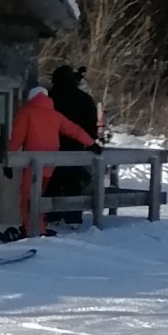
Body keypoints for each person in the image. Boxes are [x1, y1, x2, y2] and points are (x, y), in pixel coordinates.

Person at [8, 81, 96, 235]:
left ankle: (33, 230)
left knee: (27, 198)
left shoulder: (26, 113)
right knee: (40, 195)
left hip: (32, 163)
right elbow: (73, 129)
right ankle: (38, 225)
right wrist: (91, 143)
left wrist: (9, 160)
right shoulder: (55, 115)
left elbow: (17, 137)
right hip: (51, 163)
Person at [47, 64, 101, 222]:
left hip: (51, 148)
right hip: (77, 148)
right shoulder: (84, 99)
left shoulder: (49, 99)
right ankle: (73, 218)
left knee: (53, 184)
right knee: (73, 184)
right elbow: (91, 128)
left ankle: (52, 216)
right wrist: (90, 142)